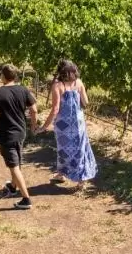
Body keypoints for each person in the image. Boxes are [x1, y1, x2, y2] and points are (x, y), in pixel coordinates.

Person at [40, 59, 97, 188]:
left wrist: (44, 126)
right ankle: (81, 181)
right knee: (80, 149)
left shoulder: (58, 86)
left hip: (63, 125)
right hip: (78, 123)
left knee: (63, 150)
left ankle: (62, 174)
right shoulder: (79, 83)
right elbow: (86, 102)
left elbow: (55, 109)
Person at [0, 64, 37, 209]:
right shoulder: (23, 89)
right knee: (17, 159)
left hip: (7, 134)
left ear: (3, 76)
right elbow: (34, 109)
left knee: (13, 166)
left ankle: (26, 199)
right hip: (21, 132)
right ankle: (13, 186)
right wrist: (33, 125)